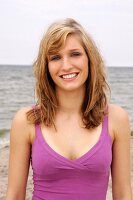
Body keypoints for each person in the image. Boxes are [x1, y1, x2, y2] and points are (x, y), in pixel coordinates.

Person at [6, 18, 132, 200]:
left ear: (90, 59)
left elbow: (123, 195)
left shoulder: (116, 119)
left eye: (75, 54)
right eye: (55, 57)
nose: (66, 65)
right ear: (46, 67)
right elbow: (14, 195)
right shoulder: (26, 121)